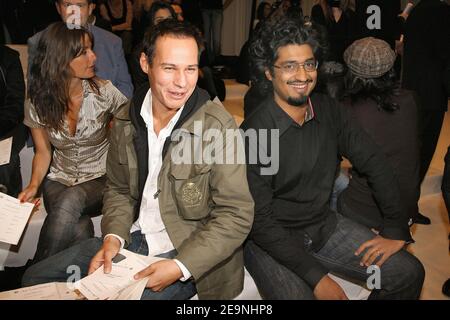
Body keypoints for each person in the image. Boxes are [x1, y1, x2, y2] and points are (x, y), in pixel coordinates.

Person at [22, 19, 254, 300]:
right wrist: (113, 238)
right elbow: (119, 190)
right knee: (34, 278)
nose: (182, 82)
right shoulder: (125, 118)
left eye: (190, 69)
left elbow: (236, 214)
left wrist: (179, 266)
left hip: (187, 251)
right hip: (133, 240)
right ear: (145, 63)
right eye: (170, 68)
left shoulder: (217, 126)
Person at [240, 16, 424, 300]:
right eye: (289, 65)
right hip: (270, 242)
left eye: (309, 63)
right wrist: (317, 278)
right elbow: (260, 222)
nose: (302, 75)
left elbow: (374, 162)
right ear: (268, 72)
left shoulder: (329, 110)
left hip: (322, 226)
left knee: (408, 273)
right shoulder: (257, 132)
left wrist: (395, 226)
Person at [19, 22, 128, 262]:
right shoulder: (37, 102)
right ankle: (70, 284)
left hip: (101, 180)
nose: (94, 57)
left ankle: (34, 277)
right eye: (84, 52)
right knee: (79, 228)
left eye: (91, 49)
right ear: (60, 59)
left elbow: (135, 124)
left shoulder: (105, 92)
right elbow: (43, 152)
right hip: (59, 180)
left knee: (72, 199)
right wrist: (33, 186)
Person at [338, 37, 420, 229]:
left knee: (329, 182)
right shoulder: (411, 99)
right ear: (391, 69)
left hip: (367, 212)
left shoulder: (346, 111)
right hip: (407, 210)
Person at [402, 0, 450, 225]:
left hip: (412, 88)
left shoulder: (418, 9)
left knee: (411, 150)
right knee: (422, 153)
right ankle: (408, 208)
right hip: (432, 94)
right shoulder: (441, 12)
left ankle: (405, 206)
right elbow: (445, 54)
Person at [28, 0, 133, 99]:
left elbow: (126, 89)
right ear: (58, 8)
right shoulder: (39, 42)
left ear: (90, 9)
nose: (74, 12)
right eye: (68, 5)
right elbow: (35, 90)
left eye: (80, 5)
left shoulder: (112, 42)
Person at [0, 45, 26, 197]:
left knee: (4, 163)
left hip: (8, 126)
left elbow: (15, 105)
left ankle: (10, 212)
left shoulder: (8, 57)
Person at [199, 0, 234, 65]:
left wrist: (224, 6)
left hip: (217, 10)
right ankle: (209, 62)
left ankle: (216, 61)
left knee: (216, 40)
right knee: (206, 39)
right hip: (205, 10)